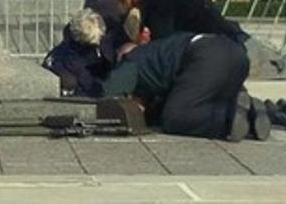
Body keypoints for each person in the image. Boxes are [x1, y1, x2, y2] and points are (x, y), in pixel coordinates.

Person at [100, 25, 257, 141]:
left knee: (176, 116)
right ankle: (261, 113)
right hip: (236, 54)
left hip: (207, 56)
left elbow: (105, 92)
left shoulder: (132, 60)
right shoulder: (161, 52)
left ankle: (228, 120)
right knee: (207, 102)